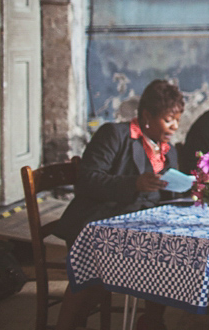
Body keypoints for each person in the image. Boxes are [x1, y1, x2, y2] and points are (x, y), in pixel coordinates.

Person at [54, 79, 184, 330]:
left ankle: (152, 321)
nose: (175, 126)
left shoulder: (168, 149)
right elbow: (88, 181)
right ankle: (68, 324)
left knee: (170, 253)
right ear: (147, 116)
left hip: (141, 227)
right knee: (93, 272)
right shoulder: (115, 135)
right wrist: (134, 184)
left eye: (177, 119)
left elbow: (169, 193)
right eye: (169, 120)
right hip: (98, 223)